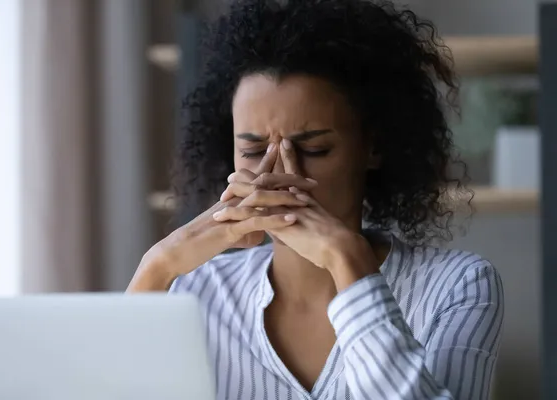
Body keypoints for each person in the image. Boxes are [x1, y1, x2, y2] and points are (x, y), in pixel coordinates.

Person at [128, 0, 504, 399]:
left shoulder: (456, 286)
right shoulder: (195, 292)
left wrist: (348, 262)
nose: (277, 176)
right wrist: (158, 266)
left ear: (371, 147)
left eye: (315, 149)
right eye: (254, 151)